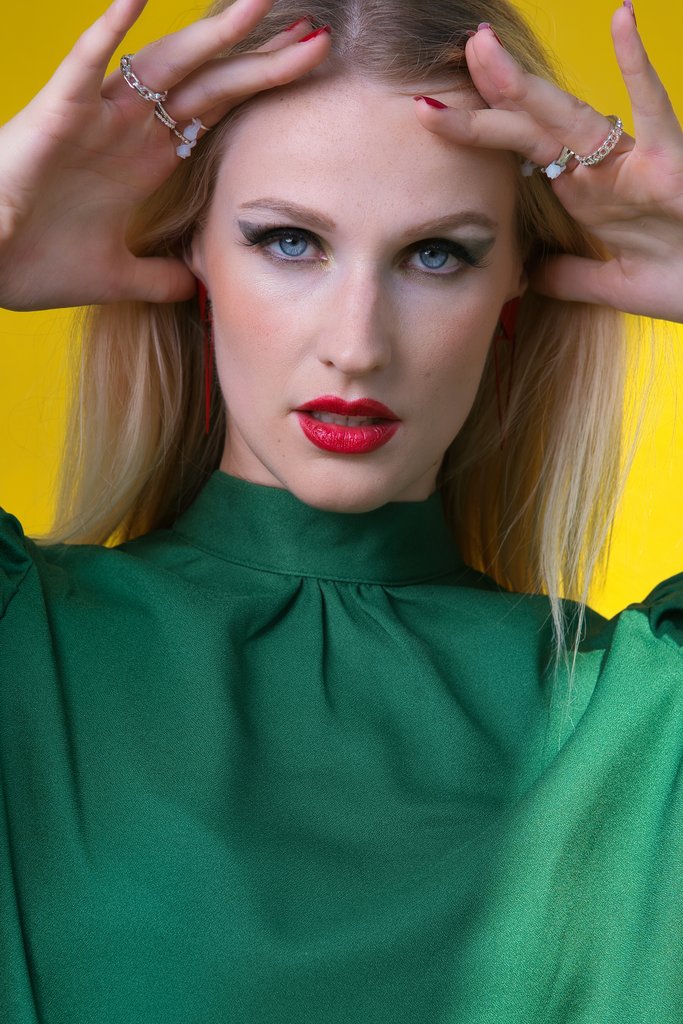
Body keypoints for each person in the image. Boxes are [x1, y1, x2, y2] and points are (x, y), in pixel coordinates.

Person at [1, 0, 682, 1020]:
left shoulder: (638, 719)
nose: (357, 345)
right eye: (288, 241)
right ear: (194, 257)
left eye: (435, 254)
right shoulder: (22, 645)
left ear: (514, 285)